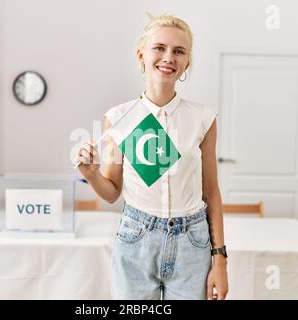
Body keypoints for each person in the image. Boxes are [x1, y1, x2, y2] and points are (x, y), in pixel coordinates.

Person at [76, 13, 228, 300]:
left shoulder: (203, 119)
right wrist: (91, 173)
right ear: (141, 55)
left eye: (179, 51)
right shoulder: (119, 118)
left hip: (192, 243)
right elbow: (111, 193)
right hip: (136, 239)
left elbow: (211, 192)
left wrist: (220, 260)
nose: (168, 57)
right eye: (159, 48)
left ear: (187, 62)